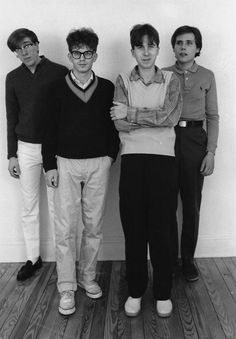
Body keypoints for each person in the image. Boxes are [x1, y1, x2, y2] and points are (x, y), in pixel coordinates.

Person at [42, 28, 119, 316]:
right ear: (69, 56)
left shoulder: (108, 87)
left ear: (95, 55)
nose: (82, 58)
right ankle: (66, 285)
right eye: (77, 53)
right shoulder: (55, 88)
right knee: (65, 228)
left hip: (99, 163)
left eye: (88, 53)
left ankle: (88, 277)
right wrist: (49, 164)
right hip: (65, 163)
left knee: (94, 226)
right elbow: (47, 128)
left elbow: (113, 125)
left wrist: (111, 155)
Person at [110, 24, 182, 318]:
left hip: (164, 160)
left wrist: (133, 113)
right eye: (140, 46)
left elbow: (171, 117)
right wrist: (145, 118)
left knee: (163, 229)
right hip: (132, 160)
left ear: (158, 48)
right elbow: (118, 122)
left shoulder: (171, 79)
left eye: (151, 46)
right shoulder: (122, 80)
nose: (146, 52)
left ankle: (163, 292)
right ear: (132, 51)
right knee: (135, 229)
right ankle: (136, 290)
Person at [5, 28, 68, 281]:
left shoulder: (60, 72)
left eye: (28, 45)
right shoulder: (13, 78)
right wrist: (12, 155)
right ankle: (33, 258)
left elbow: (67, 114)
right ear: (16, 54)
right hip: (26, 149)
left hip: (54, 149)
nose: (25, 51)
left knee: (58, 207)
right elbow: (12, 117)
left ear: (38, 45)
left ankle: (63, 260)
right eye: (19, 49)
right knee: (28, 206)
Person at [163, 26, 219, 282]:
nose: (183, 47)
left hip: (195, 141)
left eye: (189, 43)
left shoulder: (207, 76)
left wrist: (211, 152)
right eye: (179, 43)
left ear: (197, 47)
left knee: (191, 205)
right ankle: (170, 258)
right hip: (166, 140)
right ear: (173, 47)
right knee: (166, 204)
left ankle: (188, 260)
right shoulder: (162, 74)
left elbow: (213, 117)